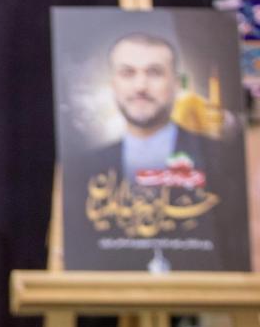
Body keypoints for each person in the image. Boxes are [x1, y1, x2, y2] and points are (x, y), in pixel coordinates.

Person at [63, 32, 249, 271]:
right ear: (113, 85)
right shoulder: (82, 169)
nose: (141, 86)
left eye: (154, 73)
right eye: (128, 73)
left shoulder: (221, 160)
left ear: (177, 84)